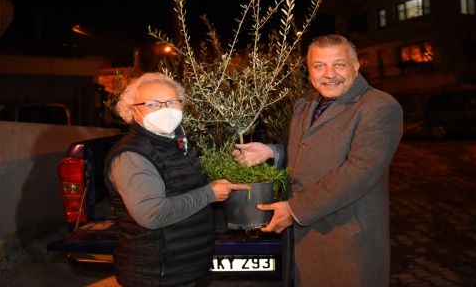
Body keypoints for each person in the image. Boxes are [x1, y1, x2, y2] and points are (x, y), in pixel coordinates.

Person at [232, 34, 404, 286]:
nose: (328, 73)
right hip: (304, 240)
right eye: (319, 65)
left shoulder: (378, 106)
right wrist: (272, 152)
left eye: (339, 64)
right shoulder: (306, 103)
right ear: (309, 70)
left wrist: (294, 210)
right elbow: (311, 152)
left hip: (345, 241)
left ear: (356, 66)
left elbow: (359, 172)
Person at [104, 72, 249, 287]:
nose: (165, 110)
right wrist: (209, 193)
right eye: (153, 104)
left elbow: (181, 184)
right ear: (134, 111)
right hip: (155, 274)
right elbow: (152, 214)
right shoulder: (132, 156)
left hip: (179, 268)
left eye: (172, 102)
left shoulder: (175, 142)